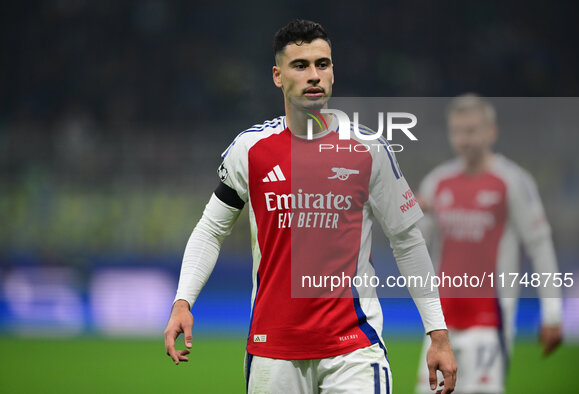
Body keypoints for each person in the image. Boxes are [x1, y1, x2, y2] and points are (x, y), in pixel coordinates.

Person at [164, 19, 456, 394]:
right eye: (300, 65)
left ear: (333, 71)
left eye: (323, 64)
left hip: (354, 349)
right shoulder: (250, 150)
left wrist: (438, 333)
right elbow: (210, 229)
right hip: (274, 351)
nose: (314, 75)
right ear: (277, 75)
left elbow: (407, 241)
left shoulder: (369, 149)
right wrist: (182, 301)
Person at [415, 95, 563, 394]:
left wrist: (552, 314)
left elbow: (540, 245)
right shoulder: (438, 182)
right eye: (456, 131)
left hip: (490, 319)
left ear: (490, 132)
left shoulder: (512, 181)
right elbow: (417, 242)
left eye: (471, 130)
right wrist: (415, 216)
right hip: (441, 322)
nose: (463, 139)